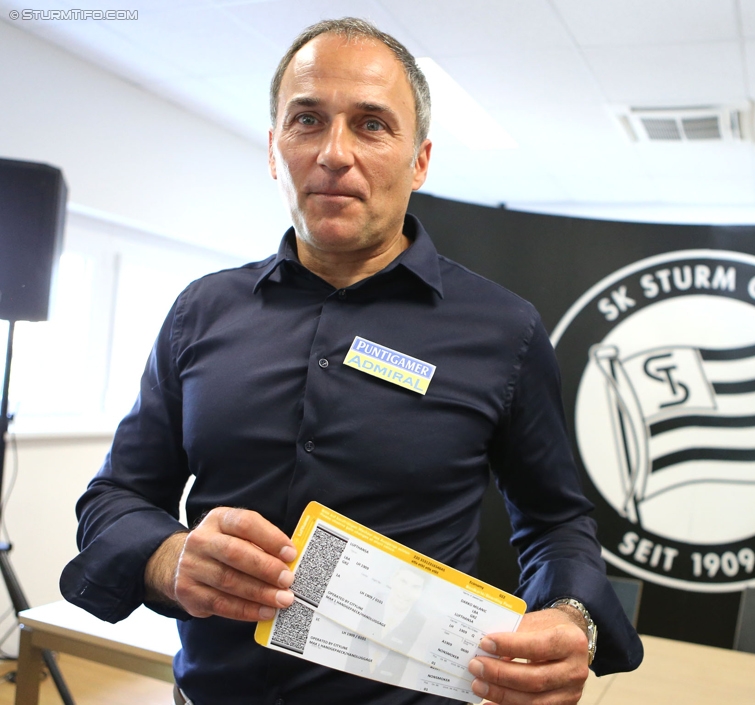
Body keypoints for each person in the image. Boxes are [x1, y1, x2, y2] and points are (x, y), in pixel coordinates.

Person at [60, 17, 643, 705]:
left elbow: (554, 522)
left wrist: (569, 613)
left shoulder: (503, 330)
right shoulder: (201, 311)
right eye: (307, 120)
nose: (335, 152)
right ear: (276, 150)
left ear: (419, 160)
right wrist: (166, 556)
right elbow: (117, 496)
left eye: (371, 124)